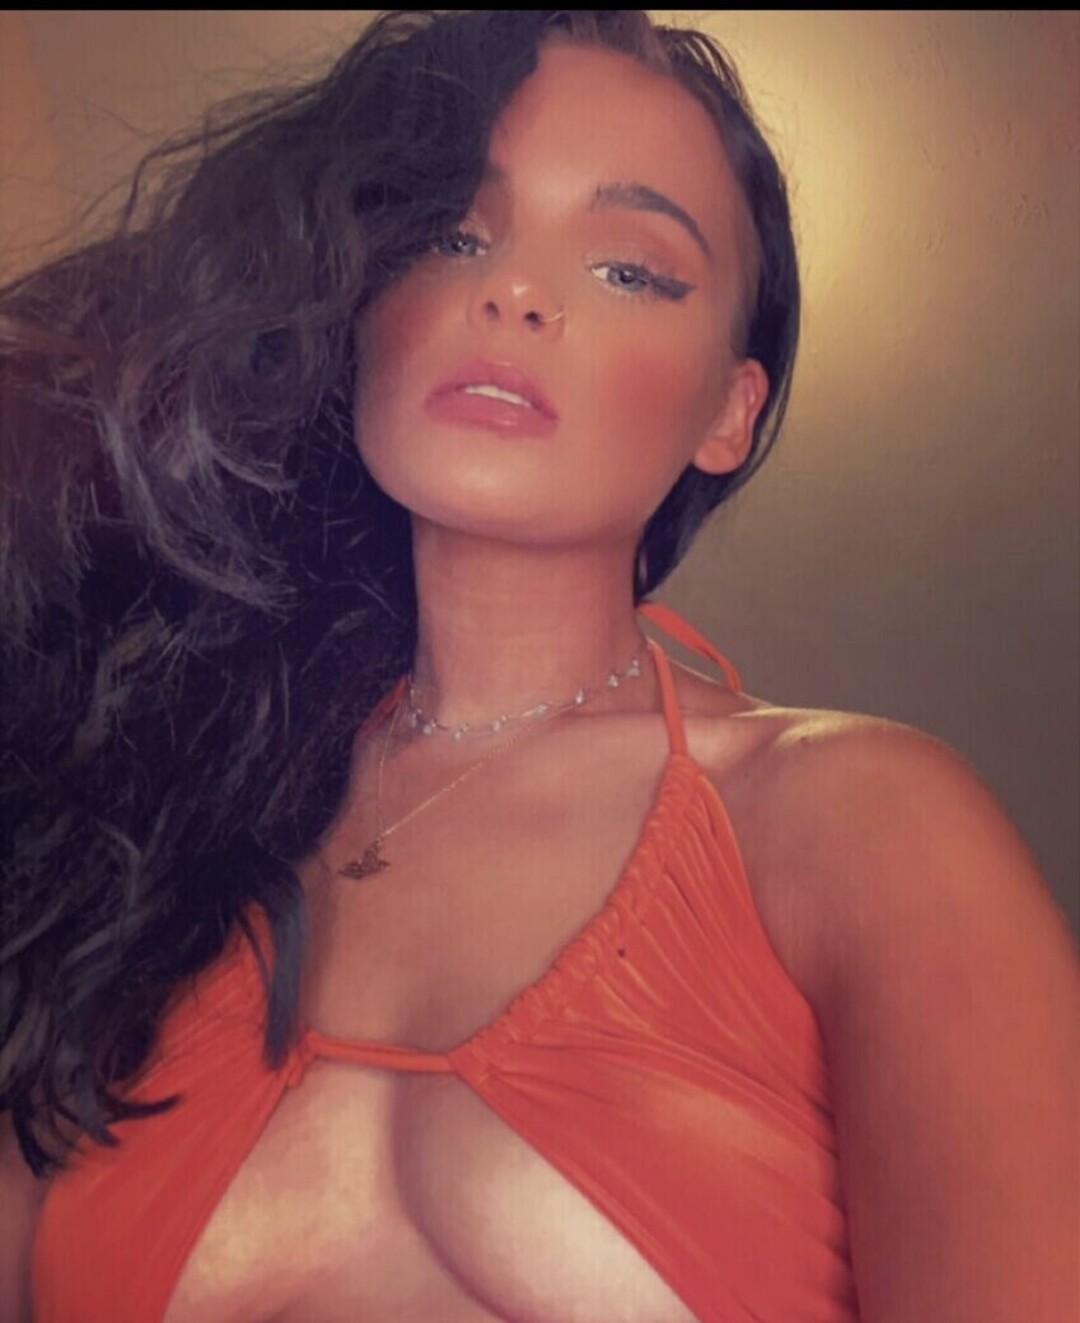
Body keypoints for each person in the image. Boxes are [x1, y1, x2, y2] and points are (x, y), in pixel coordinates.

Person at [1, 10, 1076, 1322]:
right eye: (456, 234)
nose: (515, 291)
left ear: (729, 412)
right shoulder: (144, 823)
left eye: (632, 268)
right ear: (361, 306)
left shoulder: (862, 821)